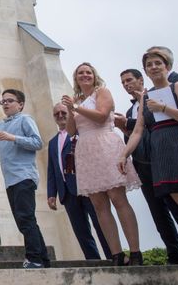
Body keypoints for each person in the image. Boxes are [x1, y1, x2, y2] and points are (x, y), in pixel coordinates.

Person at [120, 49, 178, 285]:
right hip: (160, 151)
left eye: (158, 63)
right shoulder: (145, 96)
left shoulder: (177, 87)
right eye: (150, 64)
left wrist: (164, 109)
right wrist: (125, 153)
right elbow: (138, 130)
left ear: (166, 66)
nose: (154, 67)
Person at [62, 63, 142, 266]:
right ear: (76, 78)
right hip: (86, 150)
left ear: (94, 75)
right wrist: (71, 110)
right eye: (81, 73)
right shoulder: (77, 100)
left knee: (117, 198)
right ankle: (116, 254)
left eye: (88, 72)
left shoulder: (101, 92)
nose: (85, 75)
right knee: (98, 205)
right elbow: (71, 131)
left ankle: (135, 252)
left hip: (105, 144)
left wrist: (77, 107)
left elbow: (102, 116)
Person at [0, 89, 50, 269]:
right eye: (3, 102)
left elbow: (37, 143)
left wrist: (14, 138)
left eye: (10, 101)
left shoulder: (25, 120)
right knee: (24, 220)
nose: (6, 104)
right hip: (10, 179)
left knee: (25, 218)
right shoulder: (0, 125)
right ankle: (43, 260)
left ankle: (33, 258)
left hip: (24, 176)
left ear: (20, 104)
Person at [46, 103, 111, 260]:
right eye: (56, 114)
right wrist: (51, 193)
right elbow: (52, 170)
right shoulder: (52, 142)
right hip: (67, 192)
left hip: (87, 186)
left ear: (70, 113)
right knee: (81, 231)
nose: (60, 116)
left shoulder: (80, 133)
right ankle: (93, 260)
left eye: (63, 112)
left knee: (101, 224)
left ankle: (113, 256)